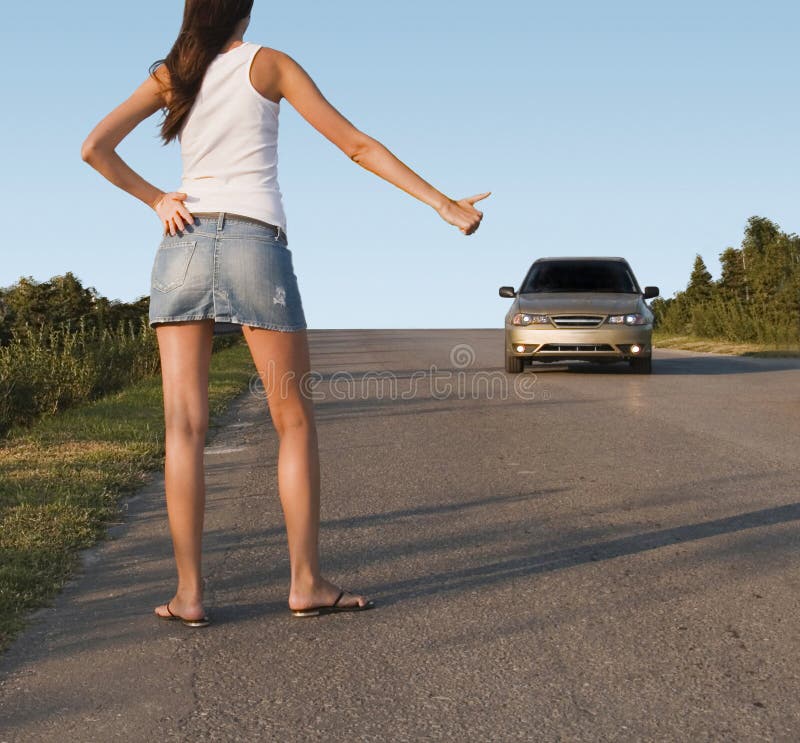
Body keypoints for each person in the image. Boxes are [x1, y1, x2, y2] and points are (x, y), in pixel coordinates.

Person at [80, 0, 489, 627]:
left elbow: (94, 148)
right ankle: (305, 583)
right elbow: (354, 145)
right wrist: (441, 204)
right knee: (292, 419)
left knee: (182, 428)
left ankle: (189, 595)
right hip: (252, 242)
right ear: (244, 9)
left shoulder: (172, 74)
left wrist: (157, 198)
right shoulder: (268, 64)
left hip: (181, 244)